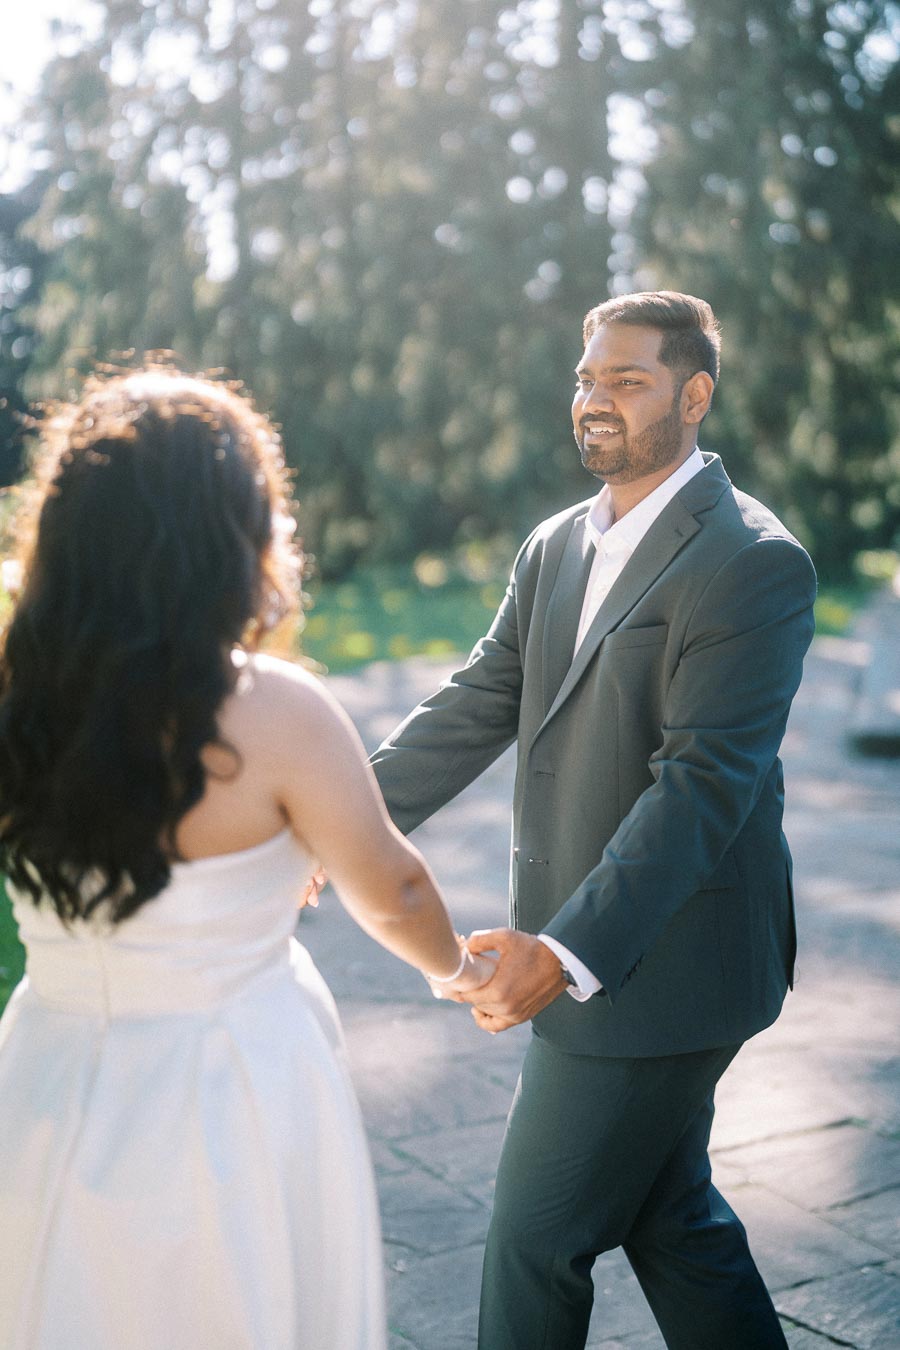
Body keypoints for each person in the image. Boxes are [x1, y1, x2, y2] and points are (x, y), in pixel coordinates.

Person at [0, 366, 494, 1350]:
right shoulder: (274, 712)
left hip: (43, 1069)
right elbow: (391, 883)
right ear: (231, 535)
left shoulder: (19, 695)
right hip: (229, 1082)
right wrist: (461, 970)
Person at [369, 291, 817, 1349]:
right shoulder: (556, 543)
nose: (596, 400)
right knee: (675, 1221)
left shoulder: (754, 562)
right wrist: (344, 820)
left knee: (535, 1243)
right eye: (586, 378)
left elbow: (702, 786)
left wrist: (562, 954)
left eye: (629, 380)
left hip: (663, 965)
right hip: (603, 954)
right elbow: (482, 697)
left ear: (695, 394)